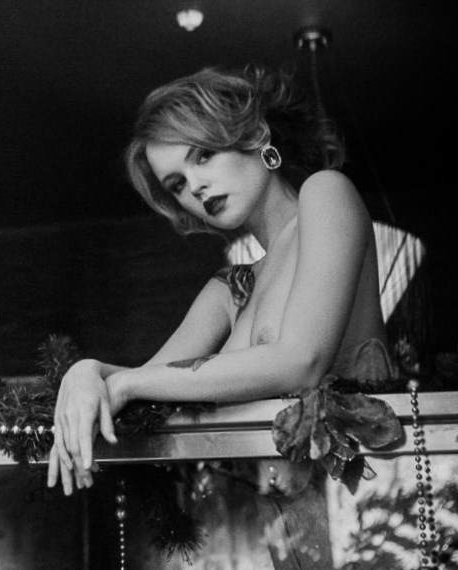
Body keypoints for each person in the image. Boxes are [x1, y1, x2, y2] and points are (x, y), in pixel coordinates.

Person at [46, 64, 394, 563]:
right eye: (177, 184)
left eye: (203, 155)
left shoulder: (326, 193)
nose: (196, 188)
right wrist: (88, 372)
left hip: (372, 520)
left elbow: (301, 361)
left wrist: (121, 383)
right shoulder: (232, 288)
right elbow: (150, 389)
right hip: (284, 534)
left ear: (252, 135)